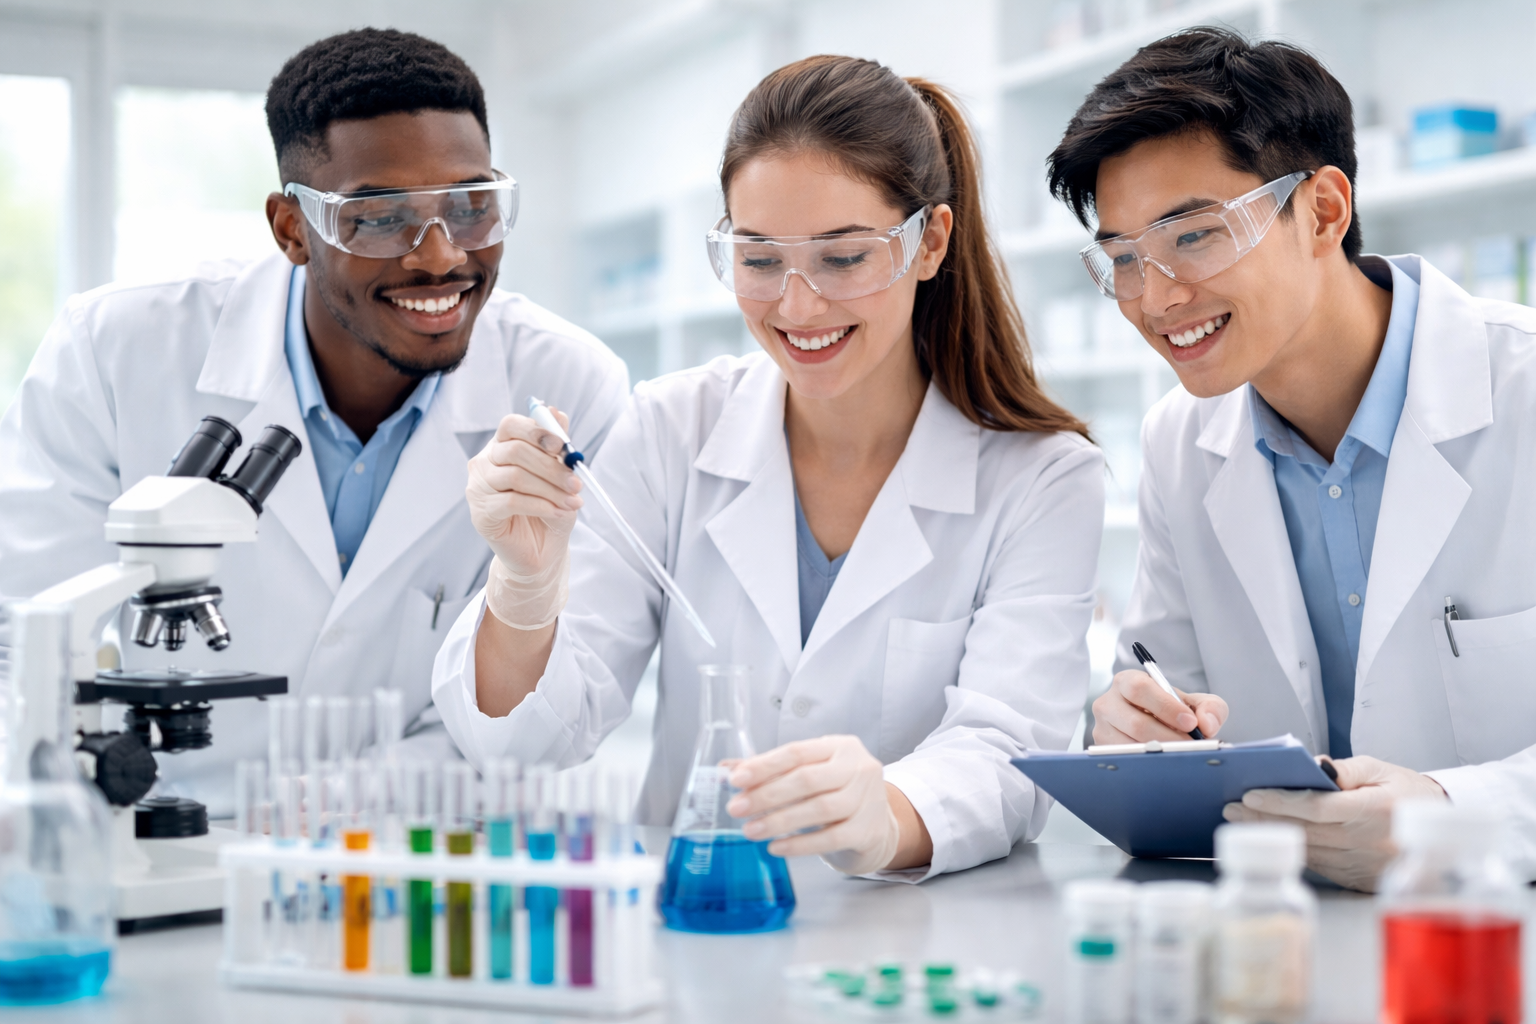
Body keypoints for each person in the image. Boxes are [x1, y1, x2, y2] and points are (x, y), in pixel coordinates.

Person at [434, 55, 1104, 880]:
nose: (796, 305)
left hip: (913, 944)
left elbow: (1010, 748)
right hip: (702, 930)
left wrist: (885, 814)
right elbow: (526, 740)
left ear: (928, 243)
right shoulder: (672, 428)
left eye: (843, 258)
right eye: (758, 260)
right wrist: (524, 590)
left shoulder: (1042, 478)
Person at [0, 28, 627, 812]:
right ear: (293, 229)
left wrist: (299, 823)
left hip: (409, 855)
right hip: (145, 826)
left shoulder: (570, 385)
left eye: (470, 208)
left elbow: (542, 725)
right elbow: (26, 642)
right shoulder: (114, 350)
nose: (439, 257)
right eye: (379, 217)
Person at [1047, 28, 1536, 889]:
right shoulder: (1179, 444)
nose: (1155, 298)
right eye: (1123, 258)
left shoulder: (1521, 392)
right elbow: (1171, 698)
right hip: (1286, 939)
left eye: (1192, 236)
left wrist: (1458, 819)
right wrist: (1135, 735)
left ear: (1322, 211)